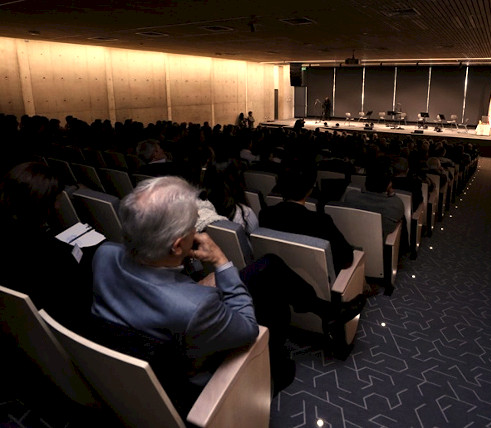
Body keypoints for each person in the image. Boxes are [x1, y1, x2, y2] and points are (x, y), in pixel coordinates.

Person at [92, 177, 363, 405]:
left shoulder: (104, 254)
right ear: (177, 246)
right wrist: (221, 262)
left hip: (163, 314)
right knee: (272, 303)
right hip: (196, 369)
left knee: (268, 266)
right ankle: (277, 363)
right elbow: (247, 328)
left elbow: (163, 294)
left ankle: (327, 311)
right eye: (192, 226)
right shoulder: (196, 307)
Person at [0, 162, 94, 331]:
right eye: (56, 199)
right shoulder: (54, 254)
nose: (58, 206)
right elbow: (81, 302)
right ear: (44, 203)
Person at [259, 161, 354, 275]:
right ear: (310, 189)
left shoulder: (265, 214)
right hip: (316, 283)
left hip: (279, 276)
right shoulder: (321, 222)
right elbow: (346, 258)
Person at [343, 158, 405, 241]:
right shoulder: (395, 205)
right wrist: (391, 193)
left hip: (351, 244)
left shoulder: (350, 196)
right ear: (389, 184)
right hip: (380, 249)